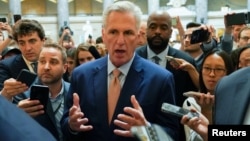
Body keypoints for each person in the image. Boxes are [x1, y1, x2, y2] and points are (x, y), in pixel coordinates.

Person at [60, 1, 179, 141]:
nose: (120, 41)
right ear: (104, 35)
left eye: (128, 32)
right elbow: (66, 124)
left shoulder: (160, 79)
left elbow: (172, 134)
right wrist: (72, 125)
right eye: (113, 32)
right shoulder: (81, 75)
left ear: (138, 37)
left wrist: (147, 130)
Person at [135, 10, 197, 141]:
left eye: (163, 27)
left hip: (174, 131)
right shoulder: (132, 58)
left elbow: (189, 101)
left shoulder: (185, 62)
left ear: (170, 31)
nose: (157, 31)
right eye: (153, 27)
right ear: (146, 30)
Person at [9, 43, 70, 141]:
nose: (46, 67)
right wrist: (17, 115)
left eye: (53, 62)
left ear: (64, 68)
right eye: (42, 61)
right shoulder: (23, 92)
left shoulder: (74, 90)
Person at [182, 48, 234, 141]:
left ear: (228, 72)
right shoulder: (192, 103)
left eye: (218, 69)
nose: (212, 74)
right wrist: (206, 111)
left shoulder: (238, 102)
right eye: (207, 68)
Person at [0, 19, 45, 92]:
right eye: (22, 43)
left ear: (43, 40)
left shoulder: (56, 63)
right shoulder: (6, 67)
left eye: (32, 41)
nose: (27, 48)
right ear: (17, 44)